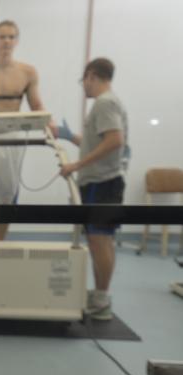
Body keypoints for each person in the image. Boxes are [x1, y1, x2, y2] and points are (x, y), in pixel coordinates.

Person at [57, 57, 128, 321]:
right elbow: (97, 142)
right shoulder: (107, 103)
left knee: (100, 241)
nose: (83, 86)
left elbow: (114, 140)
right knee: (101, 240)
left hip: (102, 182)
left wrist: (76, 165)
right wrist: (68, 136)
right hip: (101, 181)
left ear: (91, 76)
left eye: (83, 80)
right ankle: (100, 296)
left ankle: (101, 298)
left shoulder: (105, 102)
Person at [0, 20, 52, 240]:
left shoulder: (27, 72)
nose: (6, 41)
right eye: (2, 37)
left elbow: (36, 105)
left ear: (16, 41)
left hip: (11, 137)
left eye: (11, 37)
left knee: (7, 192)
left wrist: (50, 125)